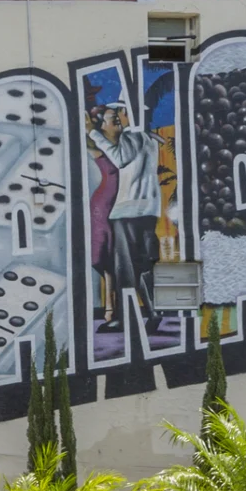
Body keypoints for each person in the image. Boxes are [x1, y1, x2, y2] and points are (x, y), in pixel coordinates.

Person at [86, 103, 162, 328]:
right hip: (147, 210)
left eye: (121, 113)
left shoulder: (132, 136)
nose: (119, 117)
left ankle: (125, 319)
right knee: (143, 266)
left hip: (128, 211)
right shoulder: (148, 138)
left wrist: (92, 132)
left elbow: (119, 158)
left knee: (125, 269)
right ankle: (153, 312)